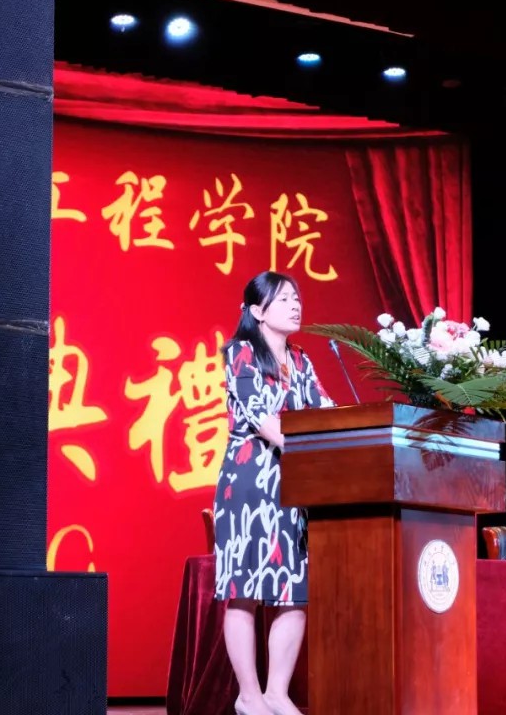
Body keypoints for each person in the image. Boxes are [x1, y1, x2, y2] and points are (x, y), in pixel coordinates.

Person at [213, 271, 335, 715]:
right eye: (284, 299)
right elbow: (266, 422)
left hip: (295, 485)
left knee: (294, 587)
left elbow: (326, 410)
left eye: (297, 297)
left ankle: (276, 694)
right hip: (249, 484)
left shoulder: (301, 359)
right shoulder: (242, 352)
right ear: (257, 311)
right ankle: (248, 696)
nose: (295, 305)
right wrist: (313, 444)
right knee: (244, 587)